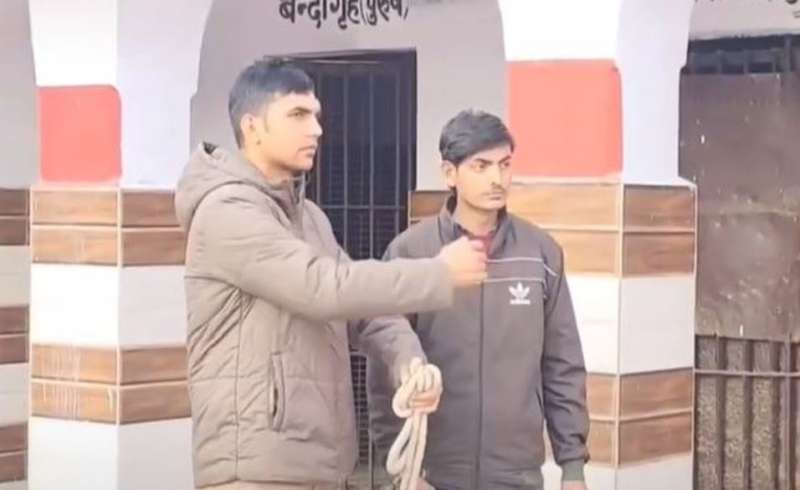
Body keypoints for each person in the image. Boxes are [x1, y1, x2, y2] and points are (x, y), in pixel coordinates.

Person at [174, 58, 487, 490]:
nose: (316, 129)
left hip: (320, 466)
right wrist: (439, 274)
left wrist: (408, 359)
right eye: (298, 115)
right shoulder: (226, 210)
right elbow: (321, 287)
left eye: (316, 116)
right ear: (252, 127)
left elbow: (363, 312)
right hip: (254, 469)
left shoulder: (311, 218)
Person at [368, 110, 590, 490]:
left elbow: (562, 365)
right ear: (449, 174)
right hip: (432, 474)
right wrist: (403, 470)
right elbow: (383, 368)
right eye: (481, 166)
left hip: (516, 475)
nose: (497, 179)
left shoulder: (540, 253)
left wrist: (572, 469)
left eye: (505, 165)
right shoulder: (412, 254)